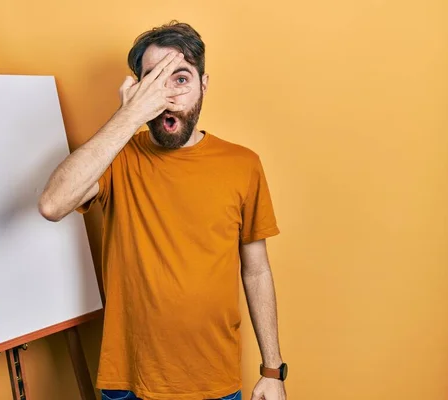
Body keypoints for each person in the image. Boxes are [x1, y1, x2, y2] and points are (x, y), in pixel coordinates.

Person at [38, 21, 288, 400]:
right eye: (154, 81)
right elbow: (53, 204)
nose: (168, 96)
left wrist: (272, 370)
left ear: (204, 84)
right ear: (137, 90)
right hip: (129, 383)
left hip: (213, 382)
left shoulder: (243, 164)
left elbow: (256, 270)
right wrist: (130, 115)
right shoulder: (117, 156)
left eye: (180, 79)